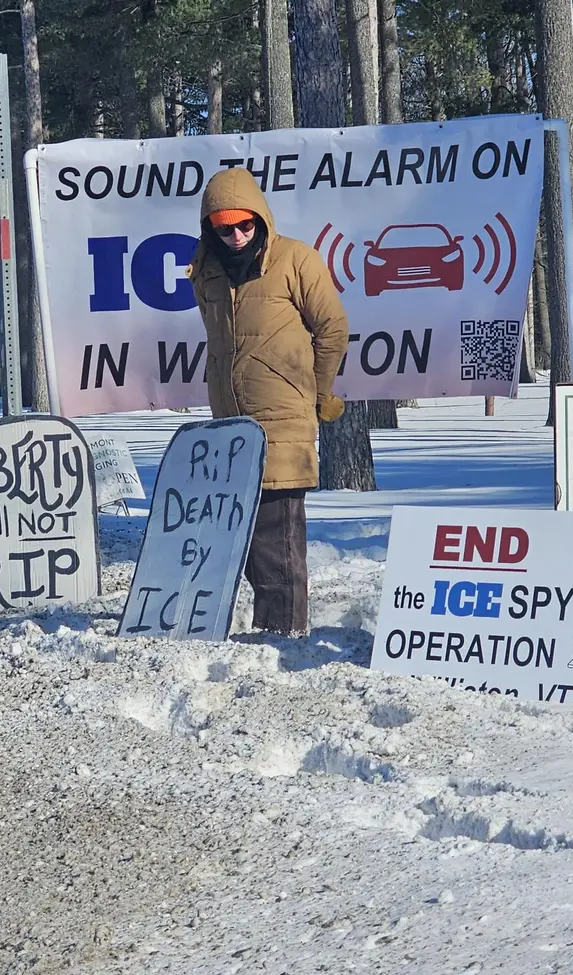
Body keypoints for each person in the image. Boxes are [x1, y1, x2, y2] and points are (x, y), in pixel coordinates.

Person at [187, 168, 349, 636]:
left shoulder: (296, 260)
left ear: (261, 219)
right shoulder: (207, 272)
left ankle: (284, 633)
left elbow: (332, 329)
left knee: (278, 539)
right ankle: (266, 625)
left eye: (245, 225)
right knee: (245, 536)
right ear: (210, 227)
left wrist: (316, 392)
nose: (236, 235)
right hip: (231, 426)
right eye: (224, 227)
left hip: (283, 419)